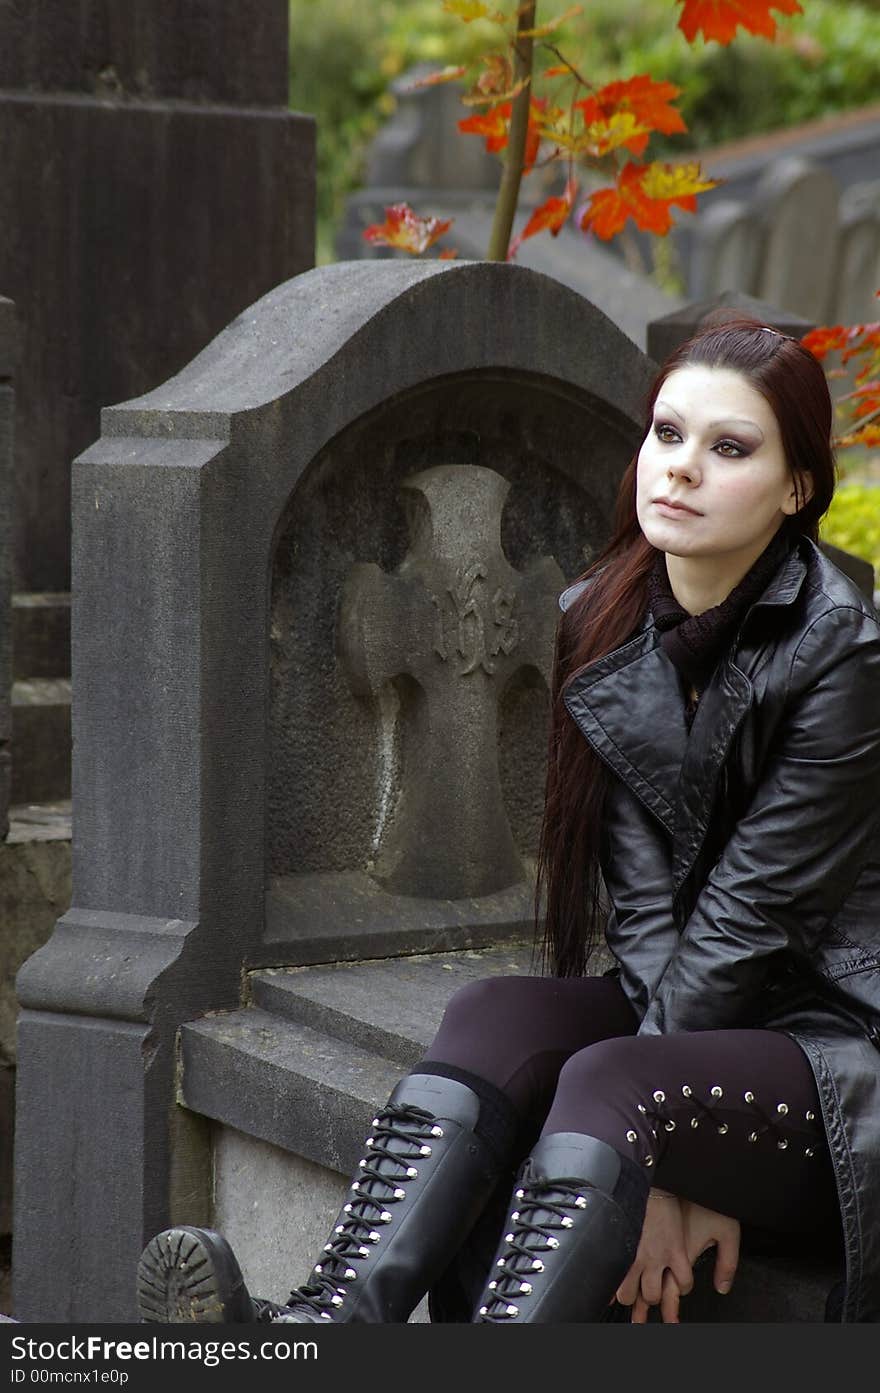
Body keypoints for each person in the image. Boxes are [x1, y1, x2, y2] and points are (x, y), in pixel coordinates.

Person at [137, 313, 880, 1326]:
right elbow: (647, 908)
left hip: (833, 1050)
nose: (681, 469)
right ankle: (329, 1324)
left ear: (796, 490)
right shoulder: (601, 614)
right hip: (698, 1025)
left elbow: (754, 920)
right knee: (497, 1013)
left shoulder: (843, 652)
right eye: (666, 435)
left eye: (729, 448)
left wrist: (671, 1161)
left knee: (622, 1076)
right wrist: (664, 1138)